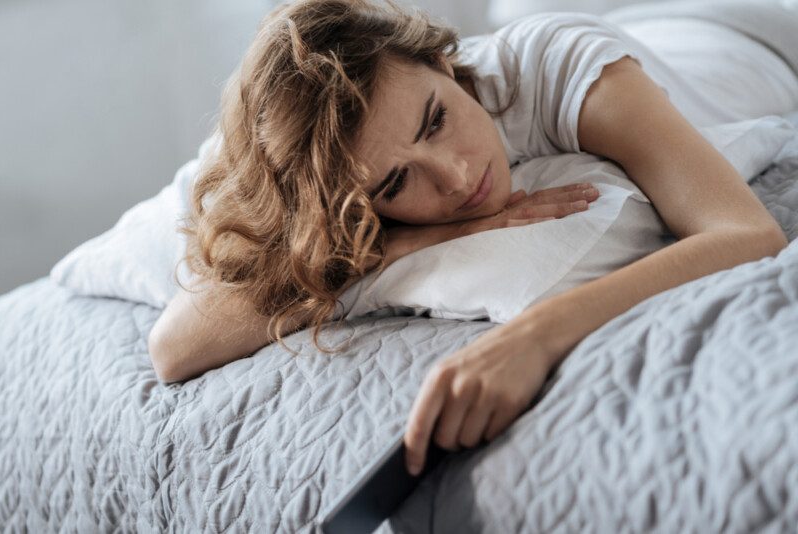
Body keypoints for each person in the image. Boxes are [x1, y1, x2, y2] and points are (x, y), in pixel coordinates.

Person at [147, 0, 797, 477]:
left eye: (437, 119)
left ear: (439, 61)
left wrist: (535, 336)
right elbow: (173, 347)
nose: (457, 178)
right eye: (398, 183)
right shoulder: (363, 179)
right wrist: (407, 245)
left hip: (749, 34)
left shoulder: (561, 71)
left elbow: (744, 233)